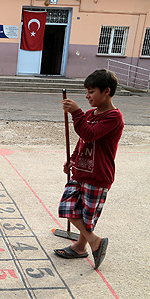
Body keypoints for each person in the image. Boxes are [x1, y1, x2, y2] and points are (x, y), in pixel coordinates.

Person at [54, 69, 124, 269]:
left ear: (106, 91)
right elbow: (82, 141)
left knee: (87, 216)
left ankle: (86, 244)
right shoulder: (89, 114)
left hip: (98, 174)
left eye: (91, 91)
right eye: (86, 91)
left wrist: (76, 112)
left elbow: (90, 133)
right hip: (81, 171)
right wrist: (72, 159)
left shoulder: (113, 117)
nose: (87, 96)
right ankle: (90, 242)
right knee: (67, 207)